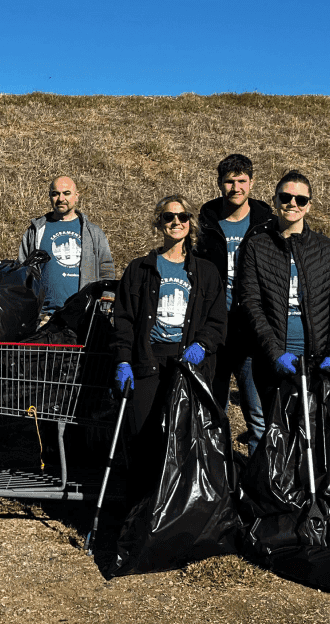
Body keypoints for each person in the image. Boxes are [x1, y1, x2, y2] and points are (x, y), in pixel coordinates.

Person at [112, 195, 226, 502]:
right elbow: (123, 320)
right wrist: (123, 360)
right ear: (159, 223)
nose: (176, 222)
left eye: (183, 217)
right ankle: (140, 513)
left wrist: (202, 345)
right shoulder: (139, 269)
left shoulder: (206, 273)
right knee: (143, 440)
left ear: (191, 224)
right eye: (168, 217)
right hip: (148, 362)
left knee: (183, 440)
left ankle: (176, 515)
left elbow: (217, 321)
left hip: (186, 367)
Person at [235, 171, 330, 450]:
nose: (292, 203)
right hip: (272, 359)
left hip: (317, 360)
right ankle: (271, 494)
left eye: (300, 199)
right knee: (272, 438)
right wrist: (275, 353)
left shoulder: (325, 248)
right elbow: (250, 302)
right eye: (285, 197)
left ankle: (312, 494)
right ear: (275, 200)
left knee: (318, 439)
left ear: (309, 205)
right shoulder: (256, 246)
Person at [195, 153, 273, 443]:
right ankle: (217, 480)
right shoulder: (206, 222)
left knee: (258, 416)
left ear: (252, 183)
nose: (236, 187)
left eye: (242, 181)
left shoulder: (267, 223)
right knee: (214, 411)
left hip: (253, 330)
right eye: (230, 181)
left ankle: (260, 484)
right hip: (215, 329)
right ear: (219, 184)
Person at [17, 175, 115, 319]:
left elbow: (106, 269)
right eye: (55, 194)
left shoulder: (93, 233)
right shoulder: (35, 231)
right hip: (44, 317)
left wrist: (104, 305)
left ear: (76, 196)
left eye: (66, 193)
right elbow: (21, 272)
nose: (61, 198)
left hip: (82, 317)